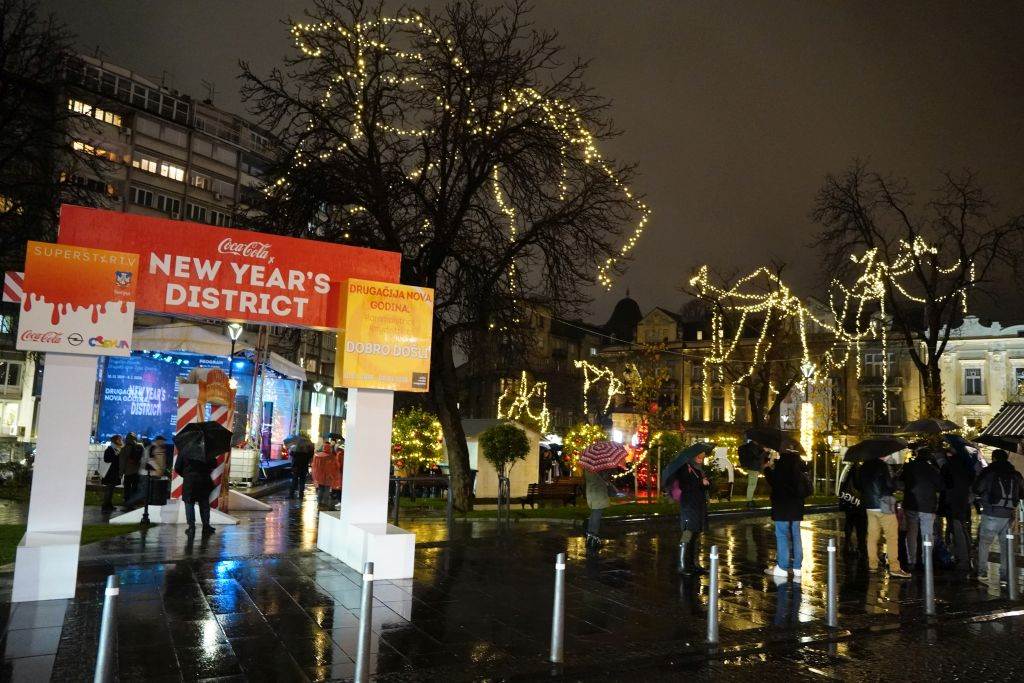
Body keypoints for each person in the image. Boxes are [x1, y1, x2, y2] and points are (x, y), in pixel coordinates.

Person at [973, 449, 1023, 584]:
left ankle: (983, 573)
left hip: (991, 512)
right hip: (1009, 515)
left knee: (984, 543)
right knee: (1006, 545)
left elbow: (977, 488)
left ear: (994, 458)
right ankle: (1005, 577)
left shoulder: (989, 472)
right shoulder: (1015, 473)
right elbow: (1022, 493)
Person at [858, 453, 911, 578]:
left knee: (872, 536)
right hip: (885, 503)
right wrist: (895, 481)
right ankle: (894, 567)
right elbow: (890, 485)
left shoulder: (863, 466)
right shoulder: (884, 466)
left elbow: (859, 485)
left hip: (870, 505)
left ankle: (872, 565)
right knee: (892, 536)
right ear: (883, 454)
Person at [763, 450, 812, 580]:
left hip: (782, 507)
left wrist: (767, 468)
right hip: (796, 508)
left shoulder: (782, 466)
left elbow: (774, 482)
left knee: (782, 535)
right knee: (796, 535)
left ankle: (782, 567)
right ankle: (797, 567)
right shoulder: (799, 467)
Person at [666, 446, 712, 575]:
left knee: (696, 534)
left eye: (703, 457)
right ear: (693, 456)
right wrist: (700, 483)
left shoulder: (699, 470)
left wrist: (706, 483)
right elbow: (685, 486)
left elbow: (702, 487)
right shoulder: (684, 469)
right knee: (688, 533)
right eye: (699, 457)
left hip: (698, 505)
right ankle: (682, 565)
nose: (701, 459)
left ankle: (693, 564)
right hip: (688, 506)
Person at [901, 446, 943, 571]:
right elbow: (941, 486)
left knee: (911, 533)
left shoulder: (908, 467)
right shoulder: (933, 469)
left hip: (911, 503)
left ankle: (911, 560)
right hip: (928, 506)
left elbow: (900, 481)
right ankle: (926, 560)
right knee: (927, 534)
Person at [940, 446, 976, 578]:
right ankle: (965, 554)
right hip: (963, 502)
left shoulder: (948, 467)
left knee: (956, 529)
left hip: (952, 503)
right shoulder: (966, 466)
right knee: (962, 527)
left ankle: (962, 559)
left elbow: (943, 484)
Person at [173, 442, 216, 535]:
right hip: (204, 480)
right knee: (204, 504)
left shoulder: (184, 450)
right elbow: (214, 464)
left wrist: (186, 475)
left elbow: (177, 467)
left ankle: (191, 527)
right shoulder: (207, 450)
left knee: (189, 503)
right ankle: (206, 526)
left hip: (190, 481)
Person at [838, 462, 867, 557]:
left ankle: (847, 543)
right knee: (861, 525)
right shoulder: (860, 470)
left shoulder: (848, 470)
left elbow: (842, 484)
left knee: (849, 522)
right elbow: (859, 485)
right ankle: (861, 546)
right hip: (858, 502)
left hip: (849, 501)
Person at [584, 468, 611, 549]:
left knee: (594, 515)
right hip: (598, 495)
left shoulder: (589, 469)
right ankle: (593, 538)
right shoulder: (594, 471)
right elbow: (599, 481)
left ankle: (590, 537)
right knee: (596, 516)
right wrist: (605, 480)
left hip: (593, 494)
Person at [738, 441, 767, 508]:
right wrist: (764, 450)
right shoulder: (753, 446)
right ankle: (749, 501)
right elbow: (757, 456)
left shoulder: (751, 445)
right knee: (752, 484)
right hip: (753, 467)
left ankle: (750, 500)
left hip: (752, 467)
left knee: (752, 484)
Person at [312, 441, 341, 506]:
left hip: (319, 476)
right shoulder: (332, 457)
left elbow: (314, 466)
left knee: (320, 488)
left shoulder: (317, 456)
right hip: (328, 476)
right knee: (327, 489)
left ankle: (319, 502)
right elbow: (337, 466)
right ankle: (325, 502)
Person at [119, 433, 143, 511]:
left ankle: (127, 504)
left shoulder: (124, 449)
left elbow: (122, 462)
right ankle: (133, 504)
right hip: (136, 472)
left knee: (127, 489)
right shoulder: (139, 447)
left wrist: (121, 473)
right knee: (134, 488)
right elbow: (141, 460)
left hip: (128, 472)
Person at [100, 435, 123, 512]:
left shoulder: (117, 449)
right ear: (115, 441)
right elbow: (106, 459)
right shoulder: (110, 449)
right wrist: (116, 456)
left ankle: (109, 505)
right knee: (109, 490)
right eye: (120, 440)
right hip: (109, 474)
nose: (121, 441)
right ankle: (104, 506)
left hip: (114, 473)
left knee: (111, 490)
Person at [289, 433, 315, 499]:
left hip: (296, 465)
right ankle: (301, 495)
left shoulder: (296, 445)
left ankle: (291, 495)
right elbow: (311, 456)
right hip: (304, 465)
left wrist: (292, 452)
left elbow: (292, 454)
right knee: (302, 481)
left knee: (294, 480)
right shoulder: (309, 445)